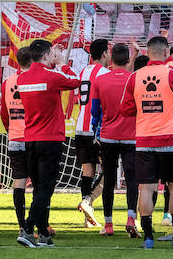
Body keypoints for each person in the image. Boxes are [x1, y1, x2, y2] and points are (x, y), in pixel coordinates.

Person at [120, 36, 173, 249]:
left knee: (146, 188)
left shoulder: (135, 76)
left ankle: (148, 238)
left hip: (144, 140)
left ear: (147, 52)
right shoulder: (172, 74)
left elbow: (125, 109)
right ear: (166, 53)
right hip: (170, 139)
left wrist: (145, 108)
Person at [16, 39, 81, 248]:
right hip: (50, 139)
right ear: (46, 56)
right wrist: (61, 62)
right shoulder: (53, 77)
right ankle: (27, 229)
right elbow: (75, 80)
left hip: (30, 139)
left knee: (38, 188)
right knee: (46, 188)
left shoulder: (22, 78)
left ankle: (43, 234)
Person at [92, 43, 140, 237]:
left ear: (111, 60)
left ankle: (109, 224)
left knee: (109, 180)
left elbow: (95, 111)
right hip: (131, 136)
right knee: (132, 179)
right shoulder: (135, 79)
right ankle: (131, 219)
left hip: (108, 136)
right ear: (128, 60)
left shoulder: (100, 80)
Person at [75, 39, 109, 228]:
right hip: (95, 130)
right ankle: (88, 202)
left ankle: (87, 217)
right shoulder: (104, 74)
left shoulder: (83, 72)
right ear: (104, 53)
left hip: (80, 128)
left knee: (87, 171)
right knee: (108, 171)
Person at [0, 46, 31, 240]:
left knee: (18, 181)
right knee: (41, 183)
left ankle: (22, 226)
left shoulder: (7, 81)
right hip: (33, 138)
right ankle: (38, 223)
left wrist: (10, 129)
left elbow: (4, 112)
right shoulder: (35, 80)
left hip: (14, 137)